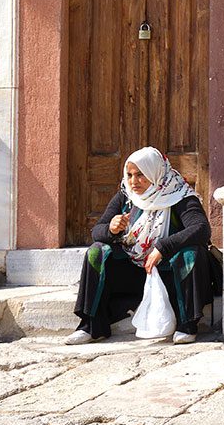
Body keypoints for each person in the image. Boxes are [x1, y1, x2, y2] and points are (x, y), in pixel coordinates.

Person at [67, 147, 213, 345]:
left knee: (191, 254)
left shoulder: (179, 195)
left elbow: (201, 229)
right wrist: (111, 229)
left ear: (155, 173)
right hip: (135, 271)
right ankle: (91, 326)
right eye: (129, 175)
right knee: (97, 251)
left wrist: (163, 247)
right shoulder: (126, 196)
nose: (133, 182)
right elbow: (97, 232)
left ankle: (187, 324)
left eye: (140, 175)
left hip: (168, 273)